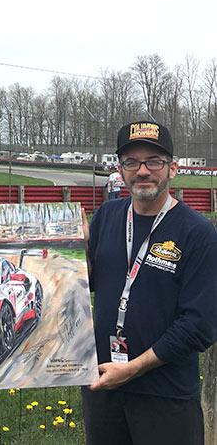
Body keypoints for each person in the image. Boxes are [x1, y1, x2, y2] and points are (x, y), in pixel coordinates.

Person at [83, 121, 217, 445]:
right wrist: (71, 250)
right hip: (102, 390)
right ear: (120, 169)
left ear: (172, 168)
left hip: (166, 395)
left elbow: (199, 325)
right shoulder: (105, 218)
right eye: (131, 161)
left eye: (153, 161)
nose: (142, 171)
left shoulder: (198, 234)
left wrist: (133, 369)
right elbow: (83, 283)